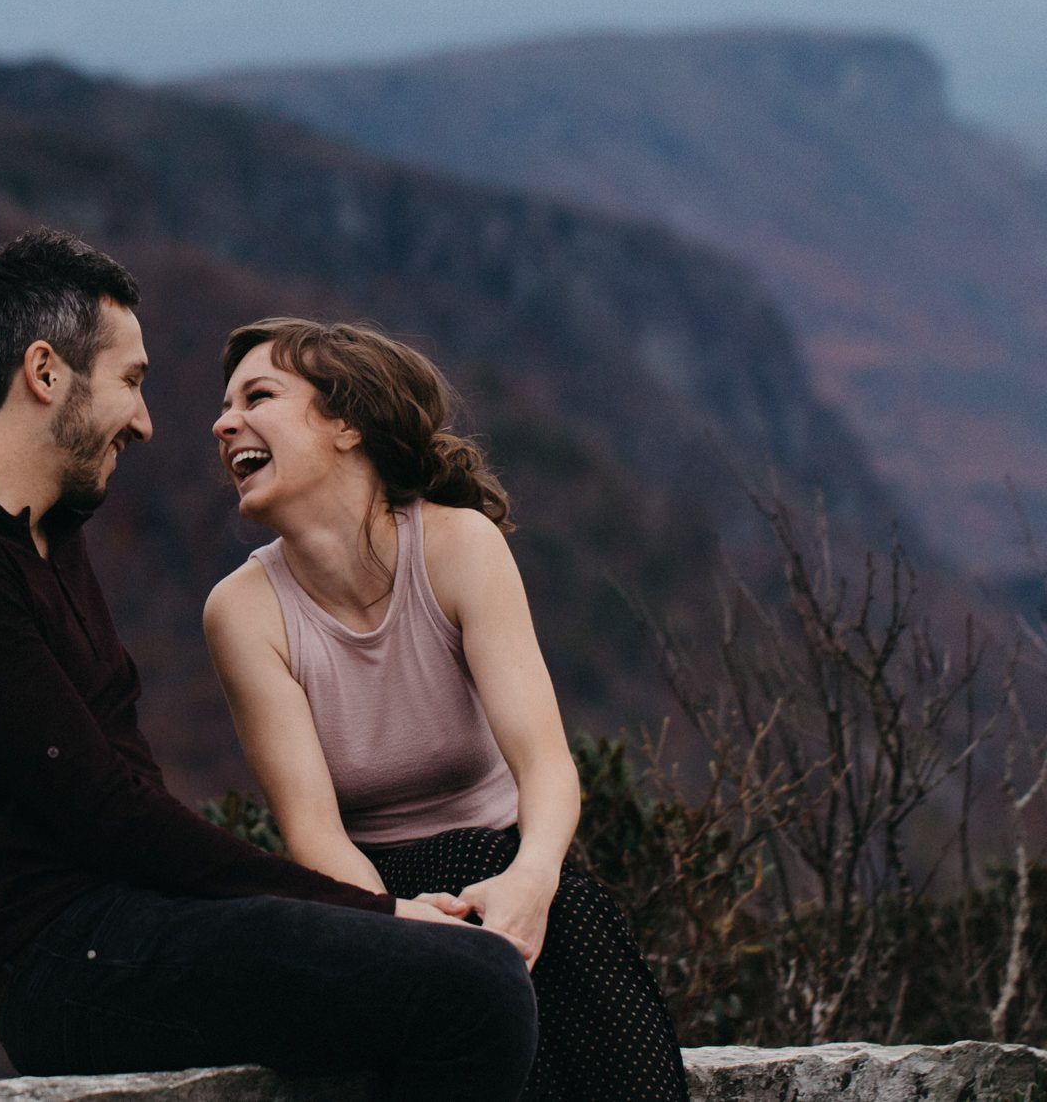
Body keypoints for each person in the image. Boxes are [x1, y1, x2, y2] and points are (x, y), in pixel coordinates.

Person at [0, 232, 536, 1101]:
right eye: (130, 379)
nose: (145, 421)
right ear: (45, 372)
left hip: (129, 930)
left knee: (409, 1003)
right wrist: (377, 914)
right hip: (74, 959)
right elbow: (109, 815)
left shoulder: (45, 541)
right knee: (474, 986)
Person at [203, 317, 688, 1102]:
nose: (225, 423)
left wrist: (532, 881)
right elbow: (314, 836)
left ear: (346, 424)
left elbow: (545, 765)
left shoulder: (459, 546)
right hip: (368, 900)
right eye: (223, 407)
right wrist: (397, 920)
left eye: (258, 395)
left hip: (510, 874)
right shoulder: (242, 611)